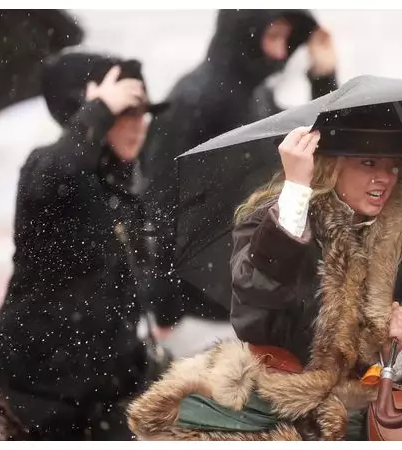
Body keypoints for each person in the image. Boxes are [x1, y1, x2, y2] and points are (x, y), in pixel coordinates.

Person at [126, 127, 402, 441]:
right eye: (368, 163)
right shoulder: (281, 218)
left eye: (393, 166)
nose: (385, 177)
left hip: (355, 421)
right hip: (270, 410)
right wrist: (296, 188)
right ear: (330, 164)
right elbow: (254, 302)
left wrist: (395, 349)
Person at [0, 52, 169, 440]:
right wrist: (97, 112)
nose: (139, 126)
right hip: (35, 397)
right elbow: (54, 176)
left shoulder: (123, 185)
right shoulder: (47, 167)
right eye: (126, 114)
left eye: (143, 113)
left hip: (104, 397)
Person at [139, 9, 339, 326]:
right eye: (272, 37)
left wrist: (322, 75)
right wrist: (165, 307)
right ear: (243, 35)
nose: (279, 51)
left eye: (285, 39)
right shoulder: (195, 100)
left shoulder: (255, 94)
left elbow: (310, 143)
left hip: (243, 297)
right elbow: (160, 202)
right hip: (197, 310)